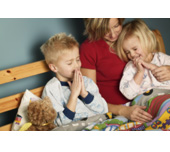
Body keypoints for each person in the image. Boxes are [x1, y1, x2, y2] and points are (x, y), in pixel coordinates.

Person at [80, 18, 153, 123]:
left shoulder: (129, 36)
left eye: (116, 26)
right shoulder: (89, 48)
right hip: (115, 111)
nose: (113, 35)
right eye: (104, 29)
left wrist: (167, 69)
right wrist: (123, 111)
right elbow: (89, 97)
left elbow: (155, 60)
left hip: (144, 100)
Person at [40, 33, 108, 126]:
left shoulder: (86, 82)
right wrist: (74, 95)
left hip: (99, 124)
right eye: (69, 63)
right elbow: (59, 124)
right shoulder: (52, 89)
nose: (77, 65)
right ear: (54, 68)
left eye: (78, 59)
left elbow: (104, 110)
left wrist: (84, 93)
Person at [117, 19, 170, 100]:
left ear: (147, 40)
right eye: (127, 52)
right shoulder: (130, 67)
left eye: (135, 49)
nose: (132, 55)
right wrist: (139, 72)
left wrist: (151, 66)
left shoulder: (162, 59)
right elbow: (128, 94)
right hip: (146, 101)